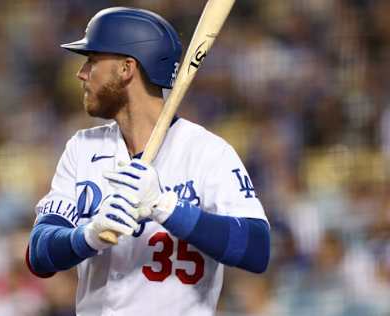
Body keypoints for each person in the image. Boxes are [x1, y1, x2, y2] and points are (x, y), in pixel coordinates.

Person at [26, 7, 270, 316]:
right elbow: (39, 253)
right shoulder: (82, 149)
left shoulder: (207, 152)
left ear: (127, 68)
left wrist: (168, 209)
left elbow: (257, 249)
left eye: (92, 60)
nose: (82, 73)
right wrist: (87, 235)